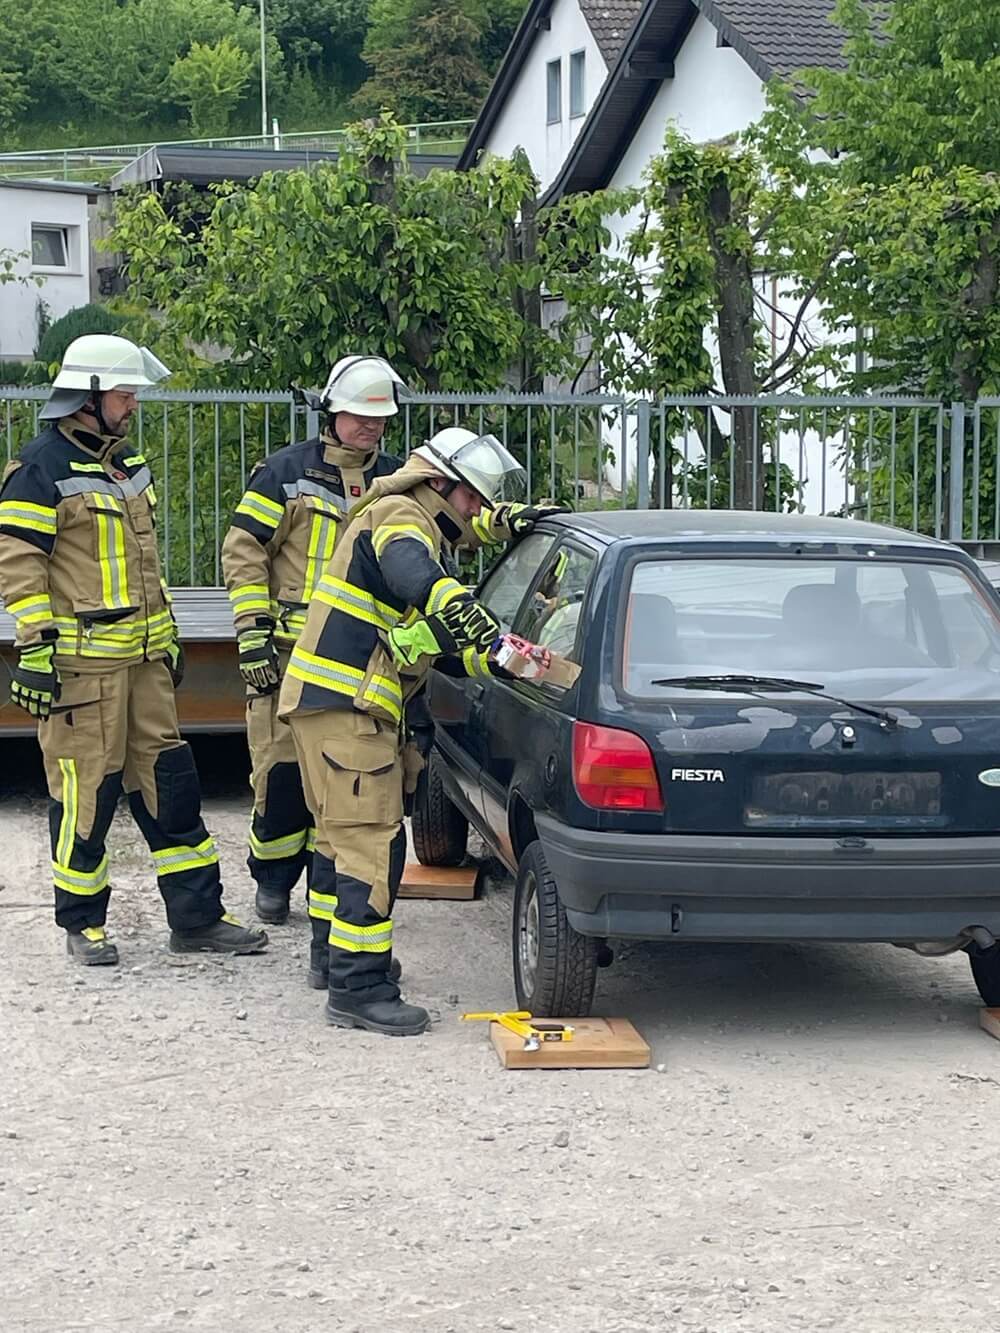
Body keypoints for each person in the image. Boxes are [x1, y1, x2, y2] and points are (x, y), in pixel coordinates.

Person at [277, 425, 565, 1035]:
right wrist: (469, 614)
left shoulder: (415, 520)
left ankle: (332, 959)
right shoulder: (402, 517)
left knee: (337, 840)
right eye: (473, 497)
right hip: (347, 709)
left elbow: (420, 642)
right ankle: (359, 987)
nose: (477, 511)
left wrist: (495, 657)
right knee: (371, 845)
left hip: (329, 706)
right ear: (440, 484)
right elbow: (414, 575)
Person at [0, 334, 268, 966]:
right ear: (87, 398)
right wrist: (34, 649)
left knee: (172, 788)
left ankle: (197, 919)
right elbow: (18, 564)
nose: (133, 406)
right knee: (86, 796)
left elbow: (145, 565)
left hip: (145, 666)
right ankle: (82, 923)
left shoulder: (124, 467)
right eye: (124, 395)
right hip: (83, 672)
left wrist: (167, 635)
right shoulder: (39, 469)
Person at [222, 355, 408, 938]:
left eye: (380, 417)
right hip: (288, 659)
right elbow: (244, 551)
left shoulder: (398, 481)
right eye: (360, 415)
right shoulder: (284, 472)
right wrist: (252, 631)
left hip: (366, 663)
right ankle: (273, 880)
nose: (371, 426)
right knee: (279, 779)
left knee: (348, 788)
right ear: (331, 413)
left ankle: (333, 902)